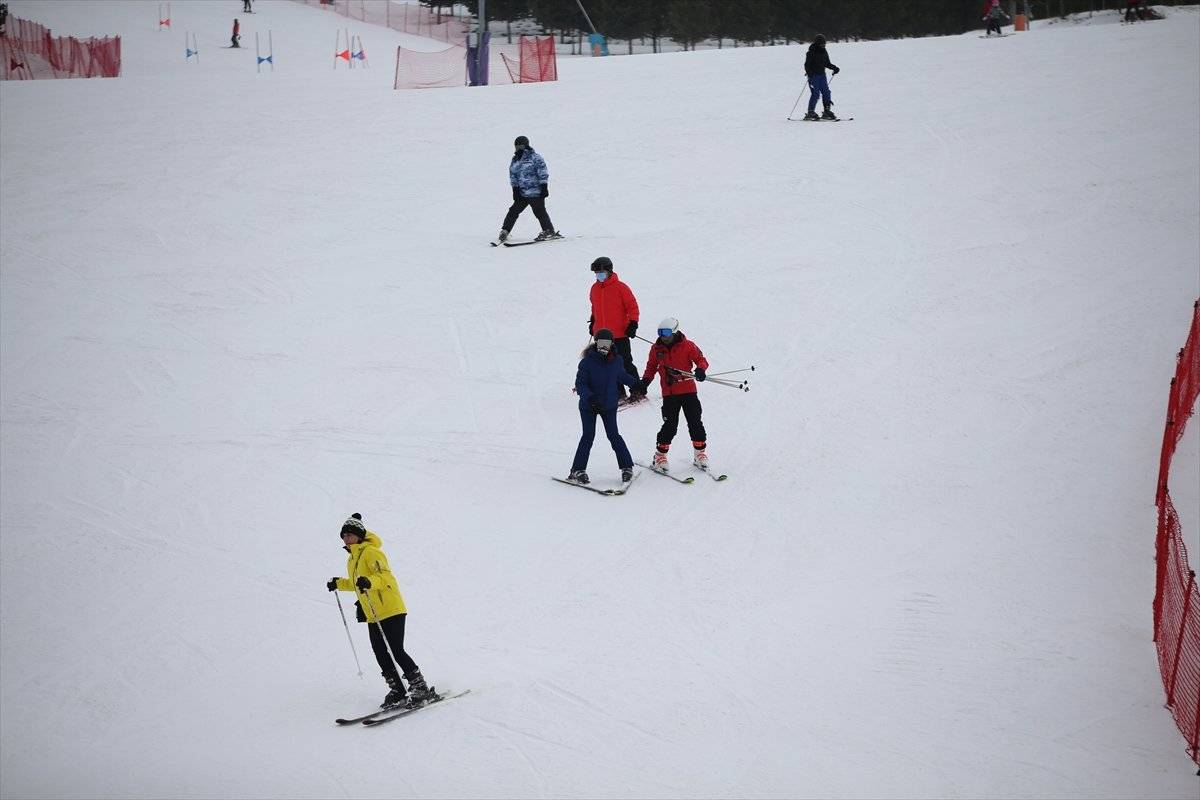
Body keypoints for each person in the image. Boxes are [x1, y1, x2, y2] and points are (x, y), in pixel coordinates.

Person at [327, 513, 435, 709]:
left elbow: (385, 577)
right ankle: (398, 690)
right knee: (380, 653)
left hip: (391, 608)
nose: (346, 539)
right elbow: (356, 583)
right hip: (372, 614)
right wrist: (339, 584)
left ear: (359, 535)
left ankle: (420, 687)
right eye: (344, 536)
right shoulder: (352, 559)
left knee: (396, 650)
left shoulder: (371, 552)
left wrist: (370, 582)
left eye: (350, 535)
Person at [568, 329, 642, 484]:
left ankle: (627, 467)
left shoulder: (617, 360)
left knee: (614, 435)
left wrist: (635, 383)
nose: (604, 347)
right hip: (589, 407)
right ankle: (577, 470)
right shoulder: (587, 362)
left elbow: (621, 375)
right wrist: (591, 398)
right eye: (601, 343)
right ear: (596, 343)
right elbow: (580, 384)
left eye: (607, 343)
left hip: (608, 405)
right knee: (588, 436)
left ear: (611, 344)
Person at [641, 317, 710, 472]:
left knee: (695, 422)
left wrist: (700, 370)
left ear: (674, 331)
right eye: (660, 333)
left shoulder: (687, 346)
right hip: (670, 393)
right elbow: (651, 367)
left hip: (689, 392)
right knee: (670, 425)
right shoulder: (656, 349)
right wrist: (645, 382)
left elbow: (701, 359)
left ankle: (699, 454)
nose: (662, 336)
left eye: (665, 333)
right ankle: (659, 456)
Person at [587, 257, 641, 402]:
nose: (599, 275)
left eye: (601, 272)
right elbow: (595, 308)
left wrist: (633, 323)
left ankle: (637, 390)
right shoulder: (594, 288)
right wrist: (593, 323)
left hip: (620, 334)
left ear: (609, 271)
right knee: (607, 365)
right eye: (597, 272)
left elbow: (632, 307)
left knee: (625, 364)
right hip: (602, 336)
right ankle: (618, 392)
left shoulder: (621, 287)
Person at [498, 136, 559, 243]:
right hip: (522, 194)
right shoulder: (515, 160)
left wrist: (544, 186)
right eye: (517, 146)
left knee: (539, 212)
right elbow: (513, 175)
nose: (518, 148)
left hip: (535, 192)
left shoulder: (535, 157)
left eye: (521, 146)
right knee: (513, 211)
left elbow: (542, 172)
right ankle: (505, 231)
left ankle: (549, 231)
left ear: (526, 145)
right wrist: (515, 190)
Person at [802, 34, 840, 121]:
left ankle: (826, 111)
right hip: (813, 76)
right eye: (822, 44)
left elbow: (827, 63)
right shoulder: (811, 52)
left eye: (824, 44)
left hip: (822, 75)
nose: (824, 45)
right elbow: (806, 65)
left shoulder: (824, 52)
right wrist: (809, 74)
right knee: (816, 94)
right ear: (817, 44)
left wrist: (834, 68)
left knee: (826, 92)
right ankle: (810, 112)